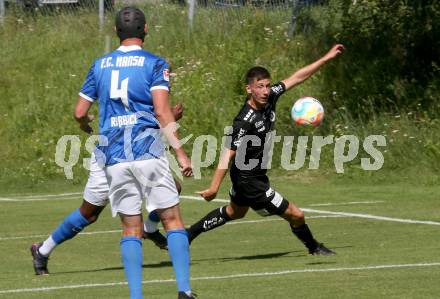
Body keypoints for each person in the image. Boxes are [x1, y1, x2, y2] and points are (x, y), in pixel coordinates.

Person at [57, 7, 193, 299]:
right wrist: (180, 152)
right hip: (147, 151)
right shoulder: (155, 63)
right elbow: (161, 111)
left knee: (131, 228)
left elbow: (80, 111)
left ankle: (136, 296)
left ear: (116, 32)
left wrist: (84, 124)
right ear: (146, 30)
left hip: (114, 156)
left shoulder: (100, 64)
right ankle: (184, 290)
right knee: (172, 220)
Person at [189, 44, 345, 256]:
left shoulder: (271, 97)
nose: (265, 91)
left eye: (267, 86)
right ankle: (314, 247)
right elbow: (228, 153)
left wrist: (325, 58)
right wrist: (213, 187)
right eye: (259, 87)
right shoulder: (244, 121)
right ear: (249, 89)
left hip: (252, 175)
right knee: (296, 215)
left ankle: (187, 235)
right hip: (249, 180)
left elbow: (297, 77)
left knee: (235, 212)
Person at [30, 104, 185, 276]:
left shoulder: (149, 88)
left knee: (173, 188)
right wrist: (167, 118)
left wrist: (166, 123)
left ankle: (149, 228)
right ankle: (43, 250)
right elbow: (128, 123)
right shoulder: (128, 86)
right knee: (89, 214)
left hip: (137, 156)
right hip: (111, 156)